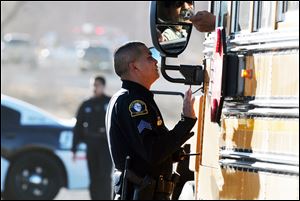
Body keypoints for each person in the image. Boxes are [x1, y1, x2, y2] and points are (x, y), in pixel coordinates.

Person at [105, 42, 197, 200]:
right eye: (149, 58)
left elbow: (143, 152)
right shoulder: (133, 103)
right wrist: (186, 122)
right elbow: (153, 152)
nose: (155, 61)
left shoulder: (133, 98)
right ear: (134, 67)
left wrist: (174, 153)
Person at [72, 76, 113, 200]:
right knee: (94, 176)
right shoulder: (86, 104)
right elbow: (78, 126)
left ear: (103, 86)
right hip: (91, 144)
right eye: (93, 85)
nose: (95, 88)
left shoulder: (110, 102)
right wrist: (74, 147)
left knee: (105, 175)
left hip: (106, 145)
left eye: (97, 85)